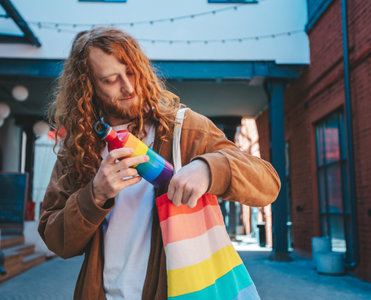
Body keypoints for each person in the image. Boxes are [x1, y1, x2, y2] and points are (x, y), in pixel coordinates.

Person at [38, 27, 280, 300]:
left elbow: (268, 184)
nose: (128, 87)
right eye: (110, 80)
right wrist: (95, 195)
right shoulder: (80, 148)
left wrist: (209, 169)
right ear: (89, 87)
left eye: (131, 72)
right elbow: (57, 241)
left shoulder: (184, 128)